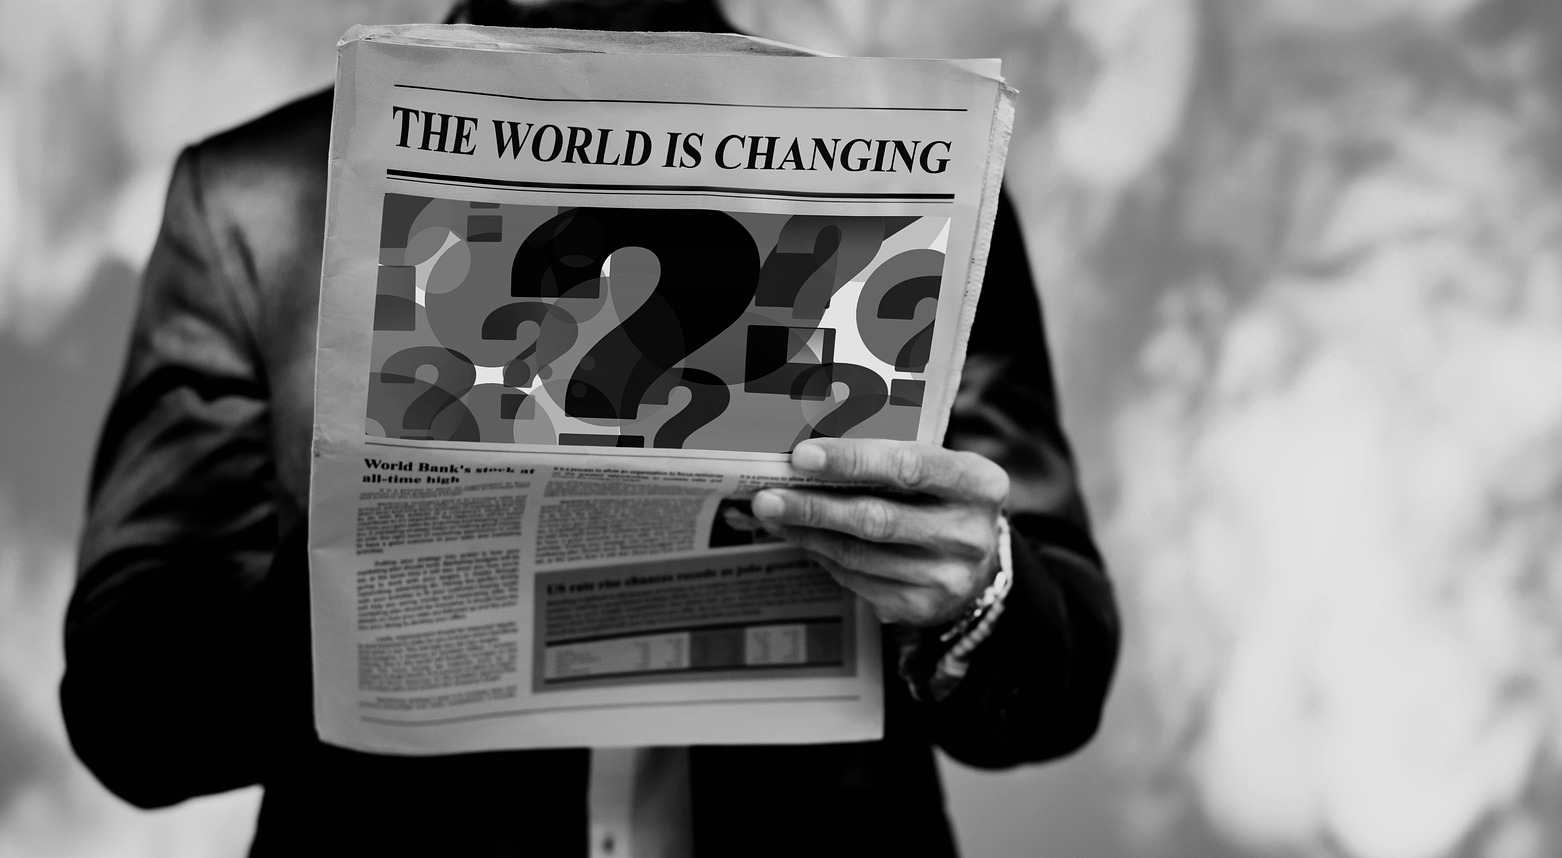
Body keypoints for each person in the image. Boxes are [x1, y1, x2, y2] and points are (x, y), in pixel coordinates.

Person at [61, 1, 1118, 856]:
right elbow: (130, 715)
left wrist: (972, 594)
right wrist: (376, 541)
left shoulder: (915, 178)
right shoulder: (253, 202)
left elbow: (1060, 683)